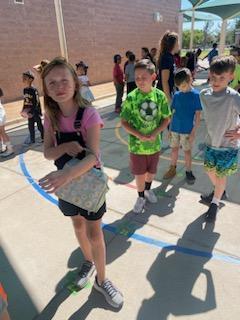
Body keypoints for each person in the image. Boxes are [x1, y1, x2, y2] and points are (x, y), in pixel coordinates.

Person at [39, 57, 123, 308]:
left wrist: (67, 174)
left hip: (89, 184)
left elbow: (93, 156)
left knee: (94, 232)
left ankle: (102, 279)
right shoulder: (50, 117)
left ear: (75, 83)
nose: (58, 86)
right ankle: (88, 262)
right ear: (46, 89)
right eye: (51, 83)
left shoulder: (89, 114)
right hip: (67, 187)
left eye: (64, 80)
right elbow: (47, 152)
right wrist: (63, 146)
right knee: (77, 225)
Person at [120, 59, 171, 213]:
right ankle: (141, 196)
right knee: (139, 173)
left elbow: (166, 118)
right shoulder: (131, 98)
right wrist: (139, 135)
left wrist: (155, 133)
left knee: (151, 172)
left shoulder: (160, 96)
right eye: (137, 78)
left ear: (153, 77)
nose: (140, 81)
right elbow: (124, 121)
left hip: (154, 145)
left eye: (144, 77)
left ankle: (148, 190)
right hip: (137, 146)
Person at [200, 55, 240, 222]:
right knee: (210, 171)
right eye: (214, 77)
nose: (216, 81)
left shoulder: (233, 97)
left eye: (222, 78)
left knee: (221, 175)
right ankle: (220, 190)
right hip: (211, 143)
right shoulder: (204, 94)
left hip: (227, 145)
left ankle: (215, 204)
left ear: (231, 76)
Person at [163, 68, 202, 183]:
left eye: (184, 85)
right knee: (174, 149)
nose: (181, 89)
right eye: (179, 87)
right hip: (175, 128)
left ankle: (188, 171)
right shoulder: (177, 95)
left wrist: (193, 132)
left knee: (187, 151)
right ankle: (172, 168)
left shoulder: (196, 95)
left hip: (187, 130)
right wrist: (170, 129)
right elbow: (173, 113)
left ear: (190, 80)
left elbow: (198, 117)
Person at [21, 70, 44, 145]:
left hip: (35, 111)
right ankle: (32, 140)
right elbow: (25, 101)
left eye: (25, 77)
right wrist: (23, 110)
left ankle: (44, 137)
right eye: (23, 77)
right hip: (29, 112)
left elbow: (36, 101)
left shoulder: (34, 90)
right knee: (30, 126)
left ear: (31, 79)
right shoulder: (25, 90)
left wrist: (32, 112)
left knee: (39, 125)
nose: (23, 79)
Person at [157, 31, 179, 103]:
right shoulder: (166, 58)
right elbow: (164, 81)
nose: (179, 44)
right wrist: (168, 99)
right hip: (164, 95)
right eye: (177, 42)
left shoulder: (170, 57)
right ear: (173, 44)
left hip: (168, 92)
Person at [0, 88, 14, 157]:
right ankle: (2, 148)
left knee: (2, 132)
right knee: (1, 132)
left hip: (0, 114)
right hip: (1, 113)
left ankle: (10, 149)